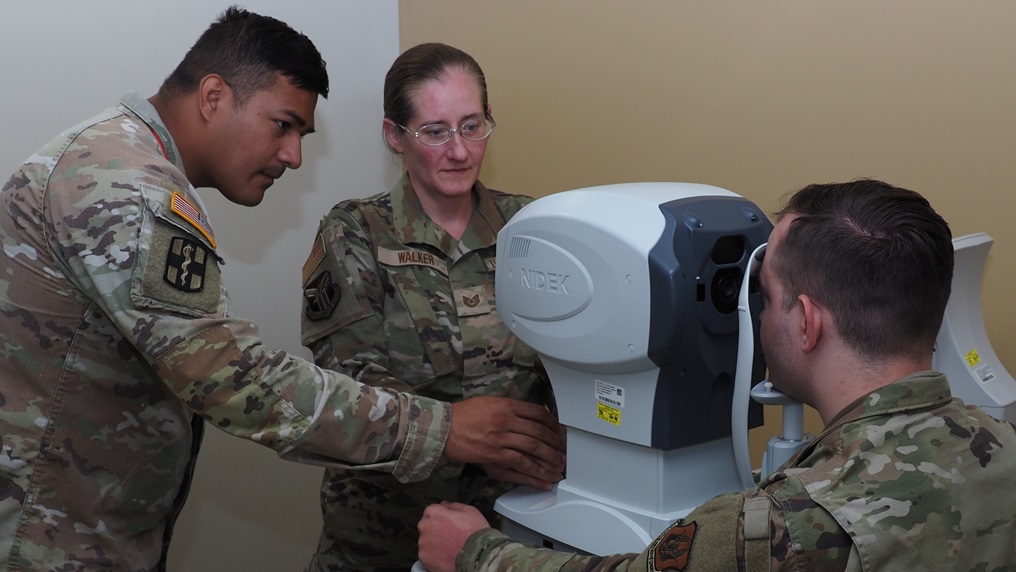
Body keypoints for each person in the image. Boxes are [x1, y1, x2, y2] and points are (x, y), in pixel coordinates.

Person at [0, 9, 564, 571]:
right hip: (48, 535)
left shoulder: (121, 164)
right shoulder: (124, 184)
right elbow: (231, 378)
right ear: (214, 96)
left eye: (472, 126)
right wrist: (446, 429)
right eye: (282, 125)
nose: (294, 156)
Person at [417, 179, 1016, 571]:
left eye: (765, 292)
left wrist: (475, 552)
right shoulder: (1003, 448)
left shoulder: (789, 527)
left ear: (806, 323)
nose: (747, 310)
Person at [299, 42, 556, 572]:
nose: (459, 151)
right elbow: (346, 388)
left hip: (506, 539)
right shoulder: (355, 232)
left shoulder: (532, 227)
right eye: (435, 131)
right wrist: (459, 431)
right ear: (395, 136)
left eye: (472, 125)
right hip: (380, 542)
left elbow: (570, 362)